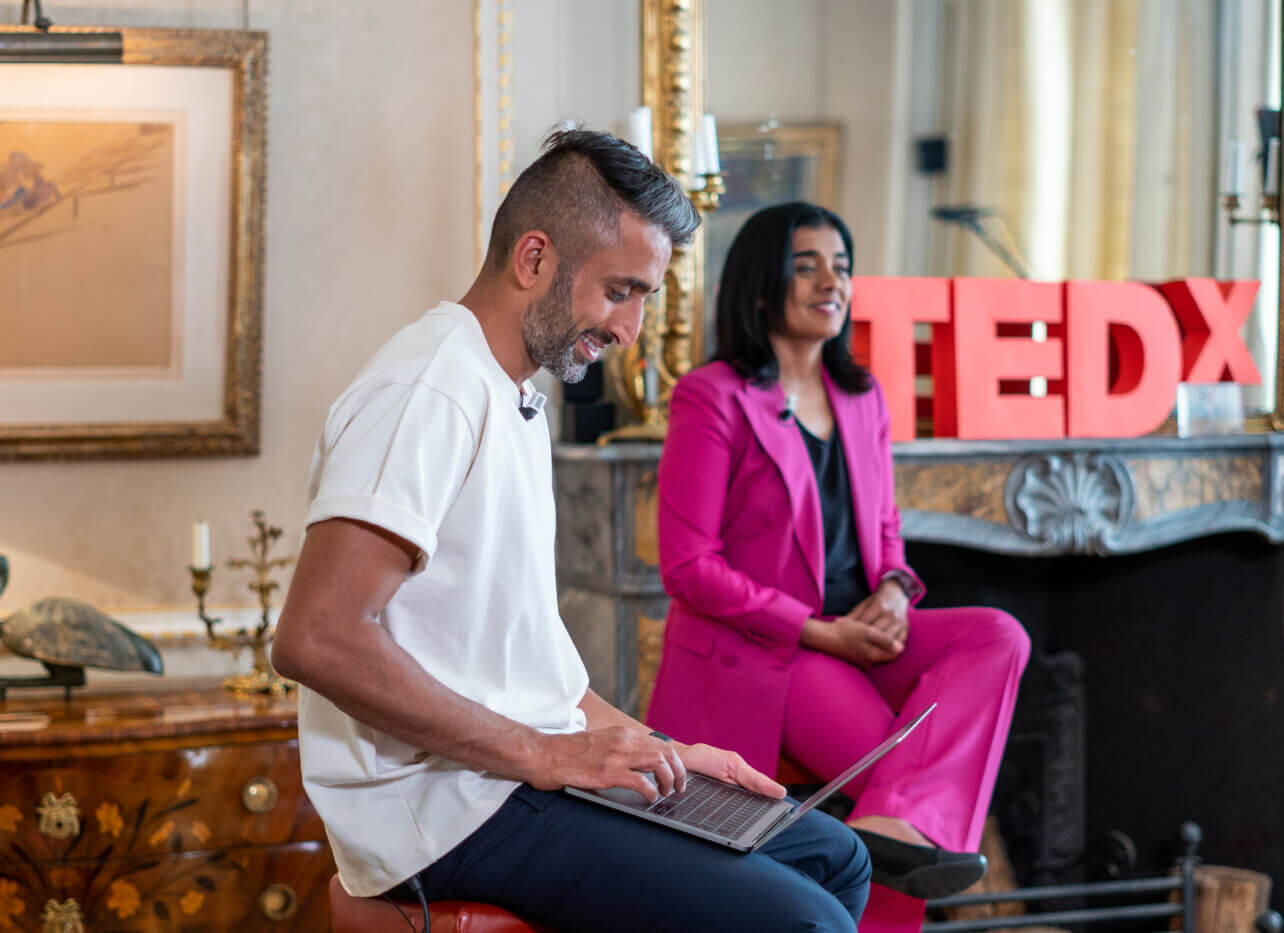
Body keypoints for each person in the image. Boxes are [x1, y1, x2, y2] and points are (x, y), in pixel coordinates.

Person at [271, 134, 871, 933]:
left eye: (645, 296)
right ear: (534, 259)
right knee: (804, 920)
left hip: (506, 774)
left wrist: (655, 745)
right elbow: (315, 637)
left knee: (834, 857)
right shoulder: (429, 391)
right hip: (448, 806)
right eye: (621, 290)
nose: (631, 330)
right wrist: (547, 755)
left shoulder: (513, 392)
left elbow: (525, 669)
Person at [646, 202, 1031, 933]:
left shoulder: (861, 396)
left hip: (857, 636)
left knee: (998, 635)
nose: (832, 281)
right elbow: (688, 566)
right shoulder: (713, 396)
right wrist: (821, 633)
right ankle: (888, 888)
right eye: (807, 265)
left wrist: (893, 587)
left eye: (843, 266)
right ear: (762, 286)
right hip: (771, 651)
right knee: (901, 762)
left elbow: (885, 529)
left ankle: (895, 830)